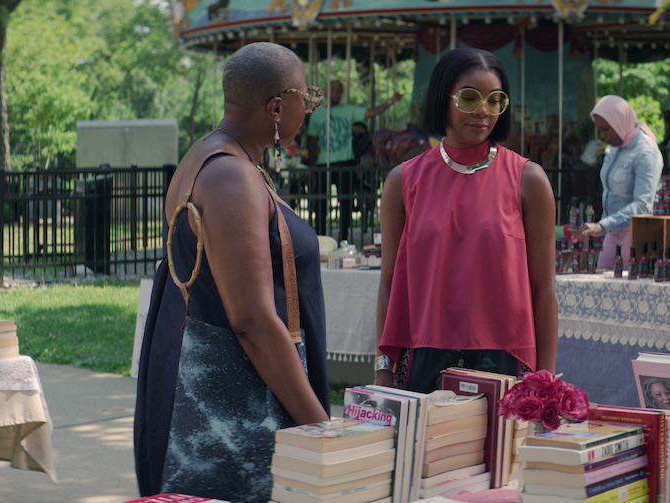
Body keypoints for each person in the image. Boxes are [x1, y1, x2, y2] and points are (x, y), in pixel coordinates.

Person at [133, 42, 331, 501]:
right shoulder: (231, 176)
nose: (312, 109)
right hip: (235, 409)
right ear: (278, 107)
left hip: (221, 392)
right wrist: (321, 427)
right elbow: (252, 321)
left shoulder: (213, 155)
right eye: (309, 98)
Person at [373, 48, 559, 393]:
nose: (483, 111)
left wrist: (544, 381)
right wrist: (384, 369)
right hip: (421, 356)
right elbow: (388, 284)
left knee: (502, 449)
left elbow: (544, 289)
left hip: (505, 357)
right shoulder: (403, 181)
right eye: (470, 98)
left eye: (495, 100)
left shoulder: (528, 179)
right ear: (442, 98)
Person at [573, 95, 664, 271]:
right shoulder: (614, 147)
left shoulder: (646, 153)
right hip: (612, 232)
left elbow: (643, 205)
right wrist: (604, 226)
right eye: (599, 130)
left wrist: (602, 225)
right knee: (601, 289)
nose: (602, 135)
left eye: (606, 129)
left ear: (620, 123)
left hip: (635, 232)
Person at [306, 79, 403, 242]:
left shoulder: (348, 110)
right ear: (328, 93)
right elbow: (312, 140)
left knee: (346, 203)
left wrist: (390, 102)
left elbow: (372, 112)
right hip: (324, 162)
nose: (337, 95)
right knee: (321, 203)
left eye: (339, 92)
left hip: (345, 161)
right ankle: (320, 237)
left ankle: (343, 237)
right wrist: (311, 165)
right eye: (335, 92)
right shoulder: (317, 114)